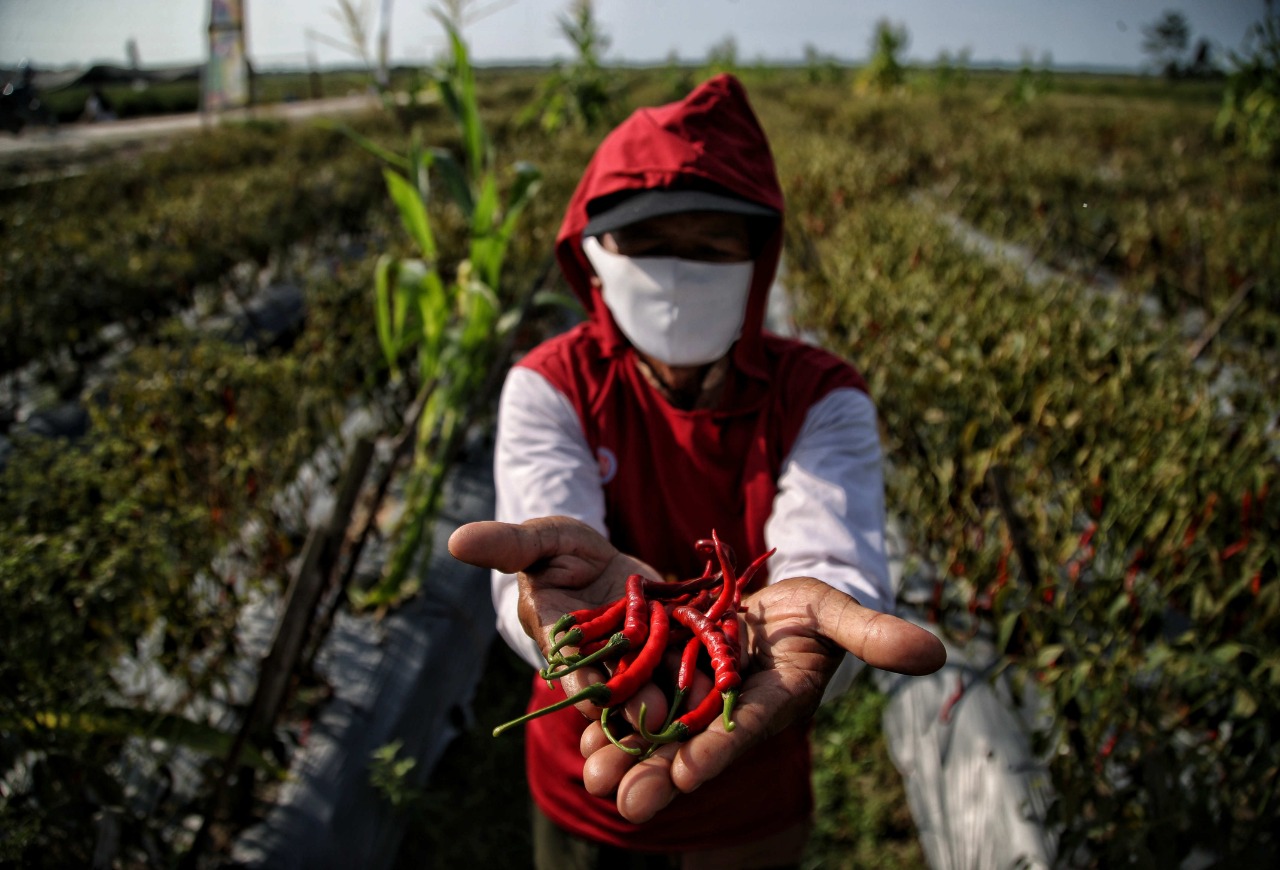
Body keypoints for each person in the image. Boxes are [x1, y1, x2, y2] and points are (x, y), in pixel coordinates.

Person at [447, 73, 945, 868]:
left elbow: (827, 549)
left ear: (758, 261)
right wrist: (553, 604)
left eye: (713, 248)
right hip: (585, 772)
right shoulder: (551, 381)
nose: (679, 272)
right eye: (648, 244)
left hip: (749, 790)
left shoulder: (821, 395)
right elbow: (541, 540)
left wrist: (812, 608)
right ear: (595, 254)